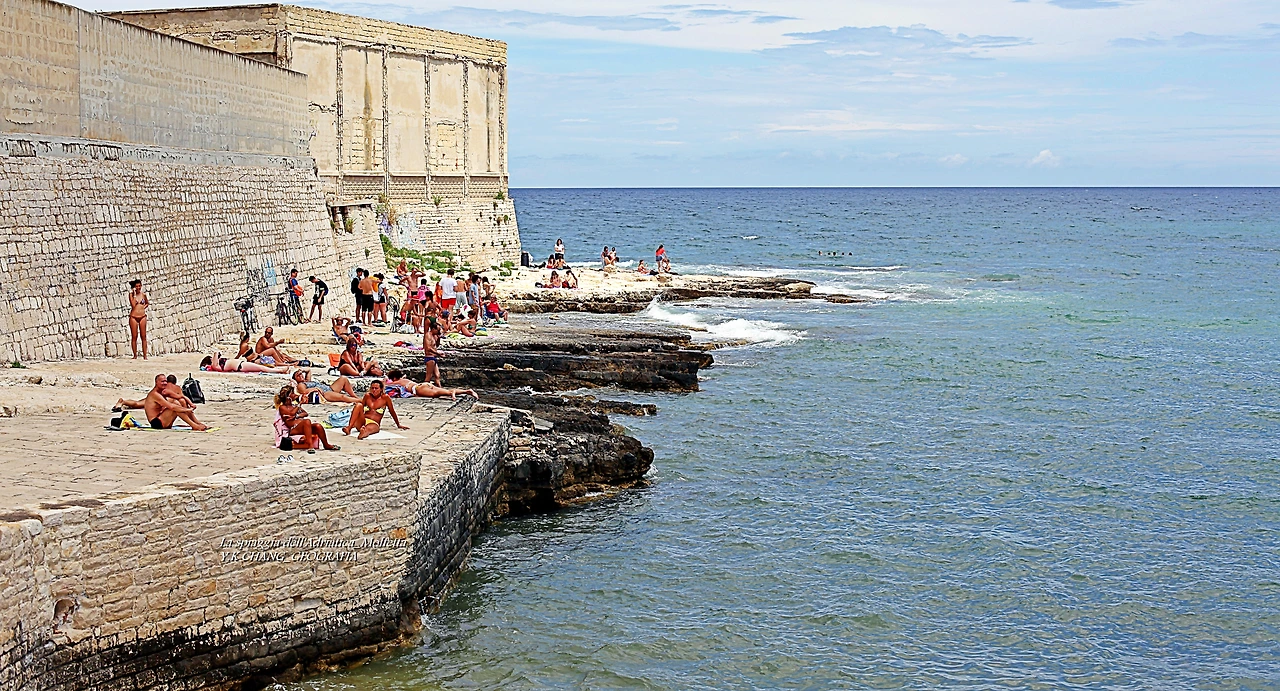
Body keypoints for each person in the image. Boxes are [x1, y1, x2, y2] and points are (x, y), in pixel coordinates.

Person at [274, 385, 339, 451]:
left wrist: (297, 416)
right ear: (288, 397)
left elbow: (305, 413)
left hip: (300, 427)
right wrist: (300, 403)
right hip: (292, 429)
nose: (295, 395)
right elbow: (291, 413)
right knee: (307, 421)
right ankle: (310, 445)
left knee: (318, 426)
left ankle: (326, 445)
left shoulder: (294, 406)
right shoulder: (282, 407)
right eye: (293, 393)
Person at [343, 380, 408, 439]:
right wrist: (354, 422)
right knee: (359, 405)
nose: (374, 390)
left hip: (374, 423)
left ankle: (363, 433)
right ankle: (349, 427)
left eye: (376, 388)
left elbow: (392, 411)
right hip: (363, 420)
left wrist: (398, 424)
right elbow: (360, 410)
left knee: (368, 429)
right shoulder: (367, 396)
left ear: (381, 389)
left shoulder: (385, 398)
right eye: (372, 388)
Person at [143, 373, 207, 430]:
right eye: (162, 381)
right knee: (175, 406)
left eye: (165, 381)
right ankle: (194, 425)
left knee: (179, 402)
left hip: (163, 418)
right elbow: (172, 407)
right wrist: (187, 410)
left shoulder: (164, 391)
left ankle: (197, 423)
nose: (165, 383)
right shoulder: (155, 394)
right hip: (157, 423)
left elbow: (181, 396)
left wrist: (191, 404)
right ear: (156, 382)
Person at [385, 369, 477, 400]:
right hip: (424, 384)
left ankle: (451, 394)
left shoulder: (398, 381)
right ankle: (467, 391)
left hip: (418, 389)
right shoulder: (405, 379)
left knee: (436, 394)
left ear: (394, 378)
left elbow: (386, 384)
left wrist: (385, 379)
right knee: (444, 391)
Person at [292, 369, 360, 404]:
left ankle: (354, 396)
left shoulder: (307, 381)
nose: (300, 375)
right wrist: (315, 388)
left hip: (330, 388)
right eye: (298, 376)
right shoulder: (300, 385)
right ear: (295, 379)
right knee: (343, 397)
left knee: (343, 379)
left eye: (301, 374)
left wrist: (301, 370)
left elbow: (309, 370)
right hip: (325, 394)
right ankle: (360, 401)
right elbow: (304, 391)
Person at [200, 352, 290, 374]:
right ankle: (280, 370)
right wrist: (215, 356)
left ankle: (279, 370)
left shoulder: (217, 364)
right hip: (240, 366)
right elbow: (216, 353)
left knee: (261, 367)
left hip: (240, 364)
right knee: (261, 368)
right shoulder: (214, 366)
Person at [128, 279, 149, 360]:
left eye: (139, 286)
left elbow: (147, 303)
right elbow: (133, 305)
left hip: (142, 316)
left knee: (143, 336)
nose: (138, 288)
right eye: (136, 286)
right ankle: (135, 355)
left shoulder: (143, 295)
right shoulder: (131, 295)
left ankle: (145, 355)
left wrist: (143, 307)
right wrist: (134, 294)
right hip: (133, 316)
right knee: (134, 336)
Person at [422, 317, 442, 386]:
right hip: (429, 357)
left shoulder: (434, 336)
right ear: (433, 329)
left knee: (437, 375)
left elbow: (436, 345)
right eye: (438, 330)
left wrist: (439, 338)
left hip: (434, 357)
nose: (438, 331)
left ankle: (440, 389)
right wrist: (438, 354)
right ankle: (423, 389)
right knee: (428, 377)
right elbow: (428, 348)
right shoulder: (428, 335)